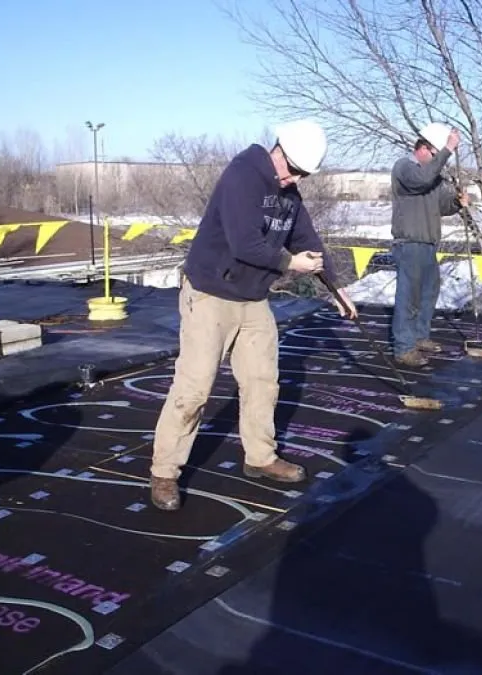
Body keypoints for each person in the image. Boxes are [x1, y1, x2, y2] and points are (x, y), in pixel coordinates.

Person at [149, 119, 358, 512]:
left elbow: (309, 244)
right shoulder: (242, 175)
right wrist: (289, 263)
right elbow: (244, 242)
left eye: (302, 174)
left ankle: (261, 457)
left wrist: (338, 290)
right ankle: (164, 472)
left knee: (263, 381)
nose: (294, 178)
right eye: (292, 168)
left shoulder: (289, 193)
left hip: (253, 297)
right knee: (193, 389)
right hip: (210, 292)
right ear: (278, 150)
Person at [389, 122, 468, 367]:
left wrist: (457, 203)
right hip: (410, 243)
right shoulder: (405, 168)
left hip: (429, 244)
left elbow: (442, 207)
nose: (438, 160)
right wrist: (448, 150)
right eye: (436, 154)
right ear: (423, 148)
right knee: (408, 297)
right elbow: (422, 180)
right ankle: (404, 347)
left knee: (428, 294)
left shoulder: (432, 177)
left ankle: (420, 336)